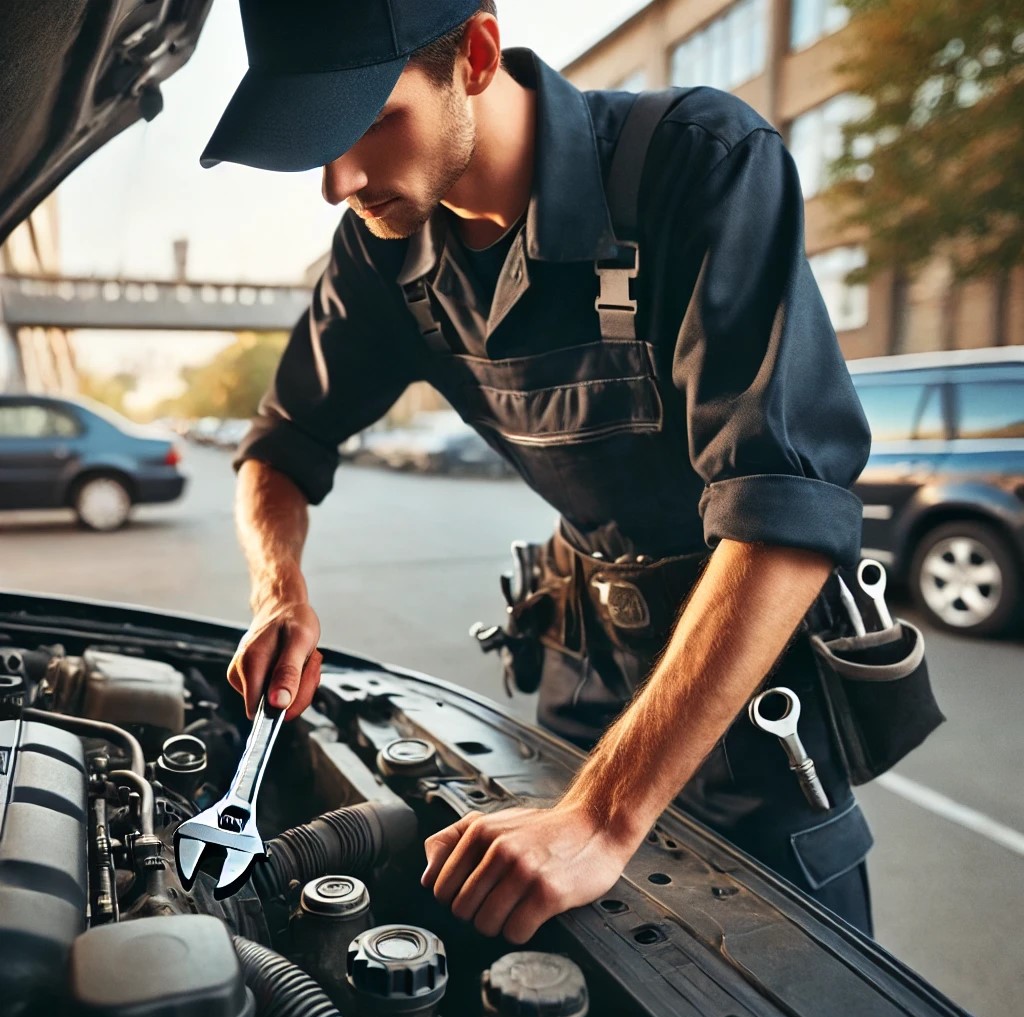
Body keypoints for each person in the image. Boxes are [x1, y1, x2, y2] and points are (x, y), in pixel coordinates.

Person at [205, 0, 875, 943]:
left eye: (369, 121)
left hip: (747, 702)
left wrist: (603, 817)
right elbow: (278, 445)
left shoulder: (700, 163)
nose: (338, 179)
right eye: (318, 137)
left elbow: (785, 509)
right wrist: (280, 591)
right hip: (573, 680)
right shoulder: (382, 246)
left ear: (475, 55)